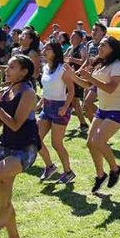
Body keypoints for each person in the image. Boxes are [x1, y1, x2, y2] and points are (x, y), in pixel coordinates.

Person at [0, 55, 41, 238]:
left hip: (25, 148)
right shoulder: (6, 91)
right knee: (4, 196)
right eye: (7, 66)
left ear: (24, 72)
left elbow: (16, 124)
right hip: (6, 145)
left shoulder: (28, 93)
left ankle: (5, 211)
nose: (6, 70)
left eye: (12, 67)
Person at [74, 37, 120, 193]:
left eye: (103, 45)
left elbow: (111, 88)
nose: (99, 47)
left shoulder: (118, 66)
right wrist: (72, 77)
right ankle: (100, 175)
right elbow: (88, 84)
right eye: (99, 44)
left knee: (98, 141)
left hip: (119, 110)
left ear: (112, 49)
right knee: (90, 143)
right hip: (104, 109)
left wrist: (91, 78)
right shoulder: (101, 64)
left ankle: (115, 168)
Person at [35, 41, 77, 184]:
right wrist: (39, 104)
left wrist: (65, 107)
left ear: (56, 52)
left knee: (56, 144)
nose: (45, 51)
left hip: (60, 108)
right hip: (46, 107)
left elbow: (71, 90)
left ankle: (68, 172)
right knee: (36, 139)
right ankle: (50, 166)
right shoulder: (45, 67)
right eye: (45, 48)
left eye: (48, 49)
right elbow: (46, 89)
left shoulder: (62, 69)